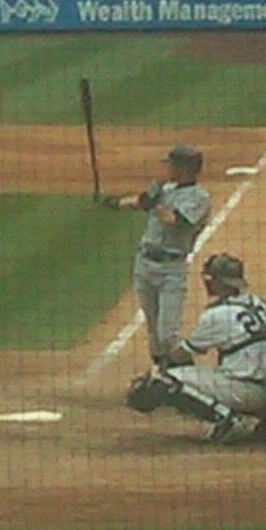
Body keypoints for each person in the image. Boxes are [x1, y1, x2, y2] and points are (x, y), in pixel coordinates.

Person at [124, 252, 266, 445]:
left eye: (210, 278)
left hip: (243, 391)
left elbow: (181, 355)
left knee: (163, 381)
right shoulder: (259, 304)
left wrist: (158, 370)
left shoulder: (217, 314)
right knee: (233, 365)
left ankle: (228, 419)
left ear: (219, 282)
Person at [98, 144, 211, 367]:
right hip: (145, 264)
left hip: (171, 269)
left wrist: (155, 201)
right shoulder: (166, 189)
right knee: (152, 329)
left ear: (183, 168)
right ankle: (163, 371)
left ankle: (186, 375)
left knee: (168, 333)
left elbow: (175, 221)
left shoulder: (199, 197)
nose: (166, 168)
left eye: (170, 164)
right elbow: (138, 202)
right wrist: (111, 202)